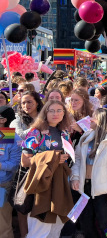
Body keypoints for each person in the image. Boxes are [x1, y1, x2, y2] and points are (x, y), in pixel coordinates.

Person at [21, 100, 73, 238]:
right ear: (45, 112)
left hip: (60, 185)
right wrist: (53, 158)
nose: (55, 114)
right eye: (51, 110)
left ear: (64, 114)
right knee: (39, 229)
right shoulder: (35, 132)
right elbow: (25, 161)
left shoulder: (64, 133)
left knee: (55, 228)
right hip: (40, 185)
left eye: (59, 111)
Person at [71, 108, 107, 238]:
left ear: (101, 120)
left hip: (104, 191)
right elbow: (77, 159)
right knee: (85, 223)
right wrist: (75, 177)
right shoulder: (86, 136)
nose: (89, 119)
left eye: (93, 117)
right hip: (84, 188)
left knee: (105, 224)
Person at [0, 106, 22, 238]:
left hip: (3, 185)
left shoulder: (11, 136)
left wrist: (1, 165)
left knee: (2, 224)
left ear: (3, 120)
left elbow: (15, 165)